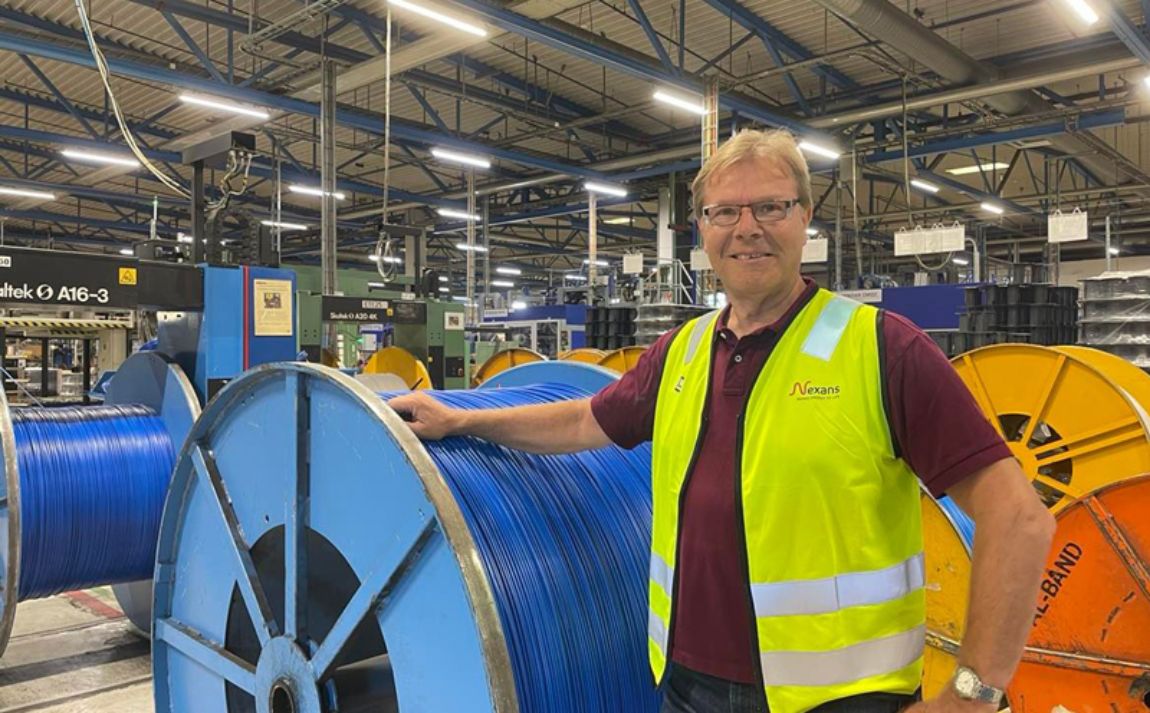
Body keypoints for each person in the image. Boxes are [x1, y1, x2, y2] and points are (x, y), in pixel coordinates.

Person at [388, 129, 1054, 713]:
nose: (747, 228)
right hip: (688, 687)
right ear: (702, 231)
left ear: (805, 218)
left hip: (839, 700)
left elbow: (1019, 518)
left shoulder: (882, 349)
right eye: (725, 211)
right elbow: (587, 421)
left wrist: (971, 694)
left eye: (771, 207)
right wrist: (459, 419)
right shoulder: (682, 351)